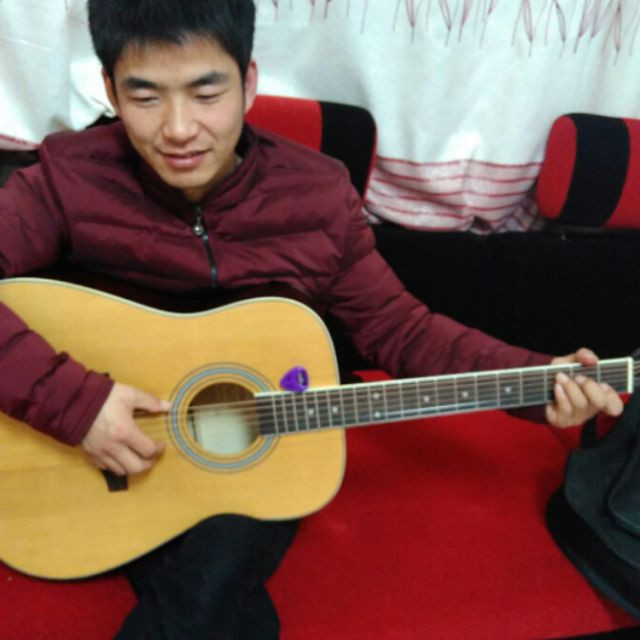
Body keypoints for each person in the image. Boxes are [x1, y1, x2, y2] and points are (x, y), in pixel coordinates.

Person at [0, 0, 623, 637]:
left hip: (264, 439)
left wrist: (539, 377)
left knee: (211, 586)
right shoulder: (69, 177)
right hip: (83, 439)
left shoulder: (318, 194)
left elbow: (401, 330)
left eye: (206, 93)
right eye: (145, 97)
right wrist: (77, 405)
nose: (179, 129)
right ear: (109, 91)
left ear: (249, 82)